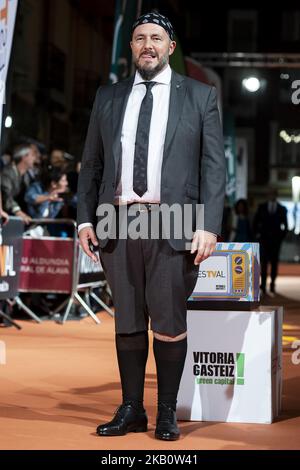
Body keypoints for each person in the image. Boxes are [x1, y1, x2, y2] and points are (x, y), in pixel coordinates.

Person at [77, 12, 226, 441]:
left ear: (170, 47)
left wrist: (209, 226)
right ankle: (130, 409)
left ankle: (165, 412)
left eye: (156, 38)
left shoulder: (200, 97)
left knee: (168, 319)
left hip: (173, 222)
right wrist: (85, 218)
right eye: (140, 38)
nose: (147, 44)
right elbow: (92, 165)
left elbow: (214, 169)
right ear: (131, 47)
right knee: (126, 319)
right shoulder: (108, 96)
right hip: (117, 220)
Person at [253, 188, 288, 294]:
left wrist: (281, 238)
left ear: (276, 195)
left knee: (274, 263)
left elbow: (285, 225)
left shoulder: (282, 208)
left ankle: (272, 285)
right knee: (264, 263)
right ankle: (263, 286)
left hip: (276, 241)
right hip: (264, 240)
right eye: (270, 193)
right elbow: (255, 222)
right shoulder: (261, 207)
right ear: (267, 195)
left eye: (273, 193)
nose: (271, 195)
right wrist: (258, 235)